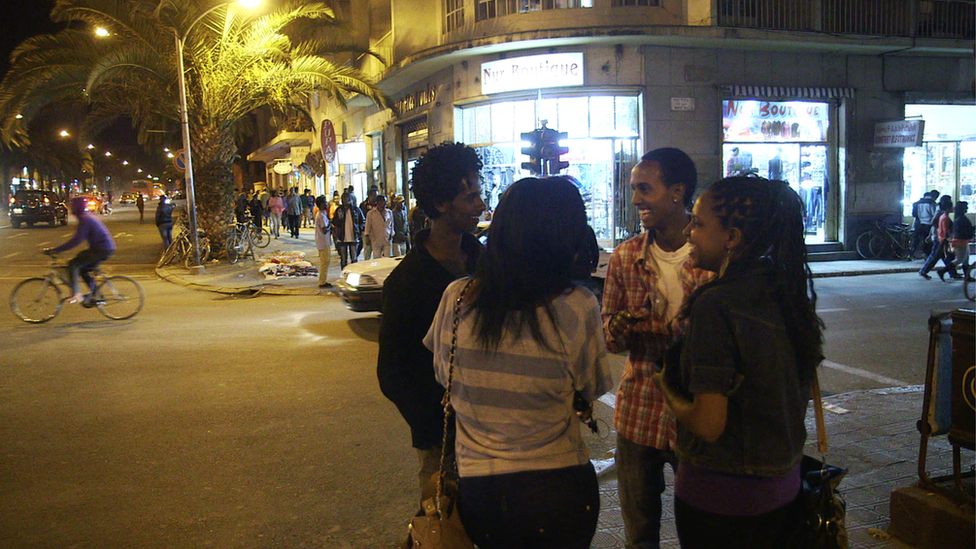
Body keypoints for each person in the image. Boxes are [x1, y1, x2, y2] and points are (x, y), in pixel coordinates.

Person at [422, 176, 612, 549]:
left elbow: (445, 374)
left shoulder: (457, 298)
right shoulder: (577, 305)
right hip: (558, 489)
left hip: (481, 492)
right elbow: (594, 386)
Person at [652, 176, 824, 549]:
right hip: (784, 487)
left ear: (731, 238)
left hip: (722, 499)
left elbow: (709, 424)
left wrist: (666, 386)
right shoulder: (786, 292)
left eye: (697, 223)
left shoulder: (717, 304)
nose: (689, 231)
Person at [602, 147, 712, 549]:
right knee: (639, 534)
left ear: (677, 192)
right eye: (633, 189)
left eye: (644, 189)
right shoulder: (626, 255)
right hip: (639, 414)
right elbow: (609, 337)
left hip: (698, 414)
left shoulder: (711, 256)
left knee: (699, 530)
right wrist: (621, 326)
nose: (635, 200)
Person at [376, 142, 485, 503]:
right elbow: (392, 373)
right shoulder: (406, 283)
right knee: (446, 532)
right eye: (470, 197)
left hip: (496, 437)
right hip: (443, 445)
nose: (481, 206)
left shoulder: (490, 265)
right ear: (441, 203)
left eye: (480, 195)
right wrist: (434, 428)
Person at [45, 196, 117, 305]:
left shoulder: (85, 219)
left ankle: (76, 294)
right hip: (104, 248)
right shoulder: (86, 217)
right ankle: (96, 296)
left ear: (77, 207)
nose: (71, 209)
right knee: (83, 269)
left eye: (72, 206)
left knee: (74, 264)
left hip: (101, 249)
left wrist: (57, 250)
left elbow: (77, 240)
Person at [919, 195, 954, 279]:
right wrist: (938, 231)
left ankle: (952, 272)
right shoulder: (941, 213)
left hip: (939, 237)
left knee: (945, 256)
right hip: (939, 237)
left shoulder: (941, 212)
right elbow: (934, 223)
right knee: (935, 255)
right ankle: (924, 271)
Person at [939, 201, 974, 281]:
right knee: (960, 259)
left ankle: (967, 276)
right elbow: (963, 230)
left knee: (965, 260)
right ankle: (943, 271)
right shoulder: (961, 219)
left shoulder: (959, 218)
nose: (967, 209)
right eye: (966, 207)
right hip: (960, 241)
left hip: (962, 241)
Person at [331, 192, 364, 268]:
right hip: (342, 237)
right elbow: (334, 222)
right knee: (343, 259)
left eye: (346, 199)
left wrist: (360, 230)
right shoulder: (339, 210)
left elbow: (362, 221)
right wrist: (339, 219)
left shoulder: (356, 210)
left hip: (353, 237)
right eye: (343, 199)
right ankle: (344, 273)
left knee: (354, 258)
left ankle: (354, 273)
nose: (345, 201)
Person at [908, 190, 939, 259]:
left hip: (918, 223)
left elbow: (914, 214)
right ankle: (925, 254)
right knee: (927, 240)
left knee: (916, 239)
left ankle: (911, 253)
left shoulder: (917, 203)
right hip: (928, 224)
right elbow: (934, 215)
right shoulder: (932, 204)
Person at [314, 195, 334, 288]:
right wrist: (330, 224)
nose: (327, 204)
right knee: (325, 262)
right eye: (325, 203)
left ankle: (322, 280)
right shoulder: (321, 215)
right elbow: (324, 229)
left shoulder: (322, 214)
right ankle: (322, 281)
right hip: (323, 242)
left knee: (325, 261)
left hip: (323, 241)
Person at [360, 186, 379, 260]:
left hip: (376, 232)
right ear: (370, 196)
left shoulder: (378, 206)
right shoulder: (363, 205)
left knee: (376, 251)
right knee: (367, 250)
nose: (375, 197)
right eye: (374, 195)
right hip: (366, 231)